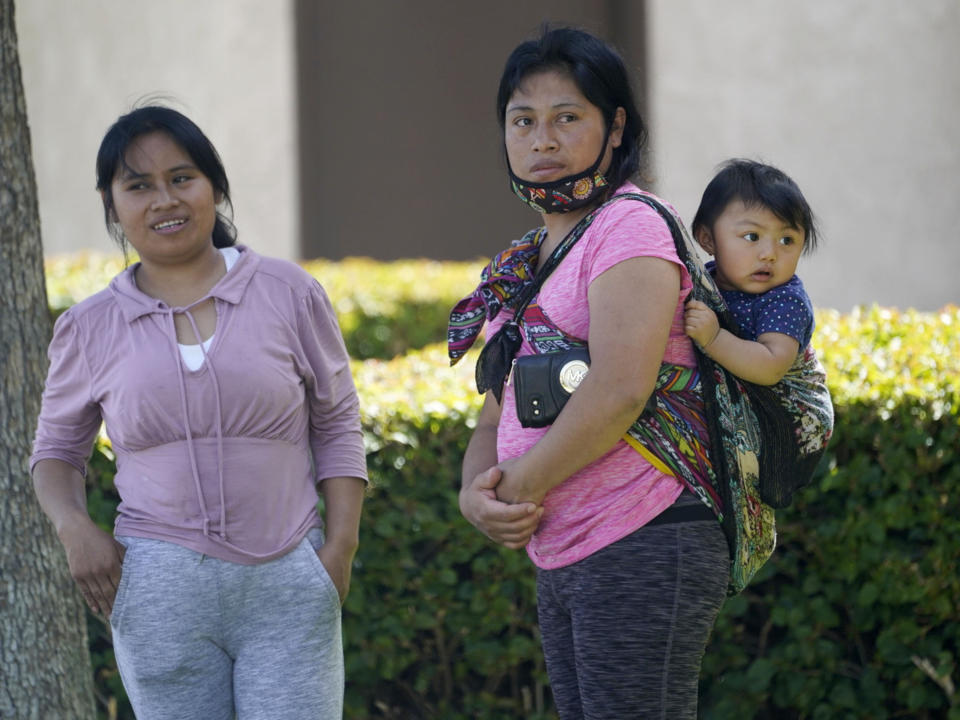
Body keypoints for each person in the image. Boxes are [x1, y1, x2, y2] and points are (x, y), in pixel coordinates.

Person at [31, 105, 367, 720]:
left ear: (215, 187)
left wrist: (338, 549)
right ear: (113, 207)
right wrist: (76, 530)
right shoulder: (88, 327)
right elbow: (55, 453)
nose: (164, 200)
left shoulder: (289, 293)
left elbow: (338, 423)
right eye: (138, 186)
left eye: (181, 178)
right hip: (159, 592)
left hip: (288, 577)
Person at [448, 27, 729, 719]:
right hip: (565, 541)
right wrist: (473, 495)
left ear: (616, 126)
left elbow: (620, 388)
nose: (542, 139)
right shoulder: (525, 260)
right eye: (523, 120)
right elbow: (497, 410)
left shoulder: (628, 226)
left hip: (646, 530)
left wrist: (516, 486)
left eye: (567, 117)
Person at [684, 159, 821, 387]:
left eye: (786, 240)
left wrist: (715, 339)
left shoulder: (785, 300)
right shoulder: (703, 280)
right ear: (708, 239)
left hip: (789, 416)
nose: (769, 254)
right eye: (752, 237)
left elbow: (770, 367)